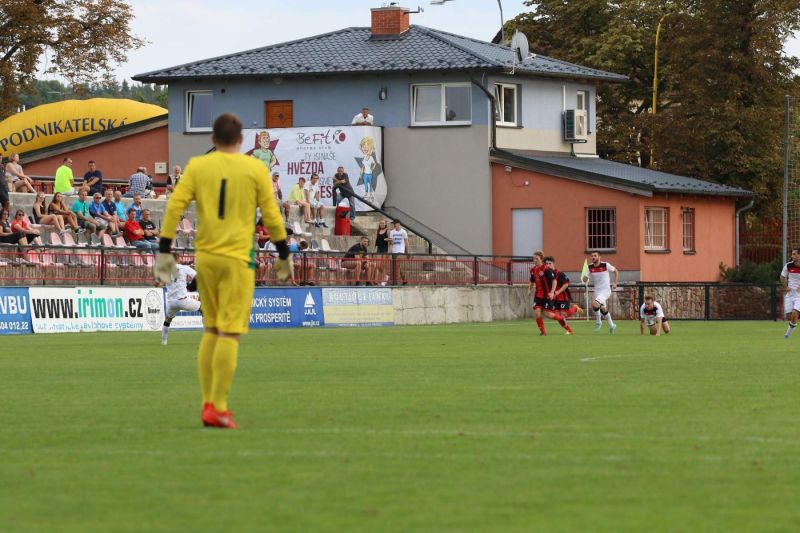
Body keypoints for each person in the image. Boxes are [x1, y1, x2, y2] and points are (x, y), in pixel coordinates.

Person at [154, 112, 291, 430]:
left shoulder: (198, 166)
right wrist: (284, 253)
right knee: (229, 333)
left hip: (207, 259)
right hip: (238, 260)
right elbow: (271, 213)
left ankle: (207, 403)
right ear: (242, 141)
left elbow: (175, 205)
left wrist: (164, 248)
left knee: (212, 331)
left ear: (213, 140)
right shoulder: (255, 168)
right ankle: (219, 407)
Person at [161, 253, 201, 345]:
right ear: (178, 259)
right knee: (203, 309)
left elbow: (161, 283)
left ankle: (164, 341)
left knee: (168, 319)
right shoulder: (184, 268)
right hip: (183, 300)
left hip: (171, 302)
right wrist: (191, 287)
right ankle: (208, 336)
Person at [581, 251, 619, 334]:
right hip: (597, 291)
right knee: (603, 310)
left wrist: (615, 283)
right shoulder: (590, 267)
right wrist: (584, 278)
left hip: (605, 290)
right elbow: (585, 279)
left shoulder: (605, 265)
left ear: (599, 257)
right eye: (592, 256)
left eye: (595, 256)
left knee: (595, 304)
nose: (593, 257)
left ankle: (598, 322)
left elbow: (616, 271)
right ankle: (612, 326)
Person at [542, 256, 580, 335]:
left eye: (550, 263)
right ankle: (569, 330)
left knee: (563, 314)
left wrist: (558, 292)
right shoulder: (546, 274)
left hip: (563, 296)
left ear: (553, 264)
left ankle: (575, 308)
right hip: (553, 298)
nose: (548, 265)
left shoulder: (559, 273)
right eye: (546, 264)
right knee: (558, 316)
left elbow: (566, 284)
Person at [527, 251, 548, 335]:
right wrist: (529, 289)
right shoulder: (533, 270)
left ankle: (568, 327)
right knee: (537, 313)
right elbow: (532, 281)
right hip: (538, 295)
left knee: (549, 315)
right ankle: (543, 332)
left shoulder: (546, 269)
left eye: (537, 259)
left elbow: (553, 280)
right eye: (534, 258)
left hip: (547, 295)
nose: (535, 260)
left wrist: (553, 291)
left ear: (541, 259)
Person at [781, 248, 800, 339]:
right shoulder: (788, 265)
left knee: (794, 313)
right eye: (792, 254)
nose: (792, 256)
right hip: (790, 294)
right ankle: (791, 327)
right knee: (789, 316)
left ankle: (787, 335)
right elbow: (782, 277)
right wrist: (785, 287)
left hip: (799, 295)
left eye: (794, 254)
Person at [388, 219, 408, 285]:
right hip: (394, 251)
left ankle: (395, 281)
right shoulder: (392, 232)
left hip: (401, 251)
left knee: (396, 266)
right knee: (397, 266)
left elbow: (406, 242)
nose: (394, 225)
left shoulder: (403, 232)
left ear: (399, 224)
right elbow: (391, 243)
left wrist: (407, 252)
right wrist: (389, 252)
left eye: (395, 223)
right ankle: (404, 279)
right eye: (393, 223)